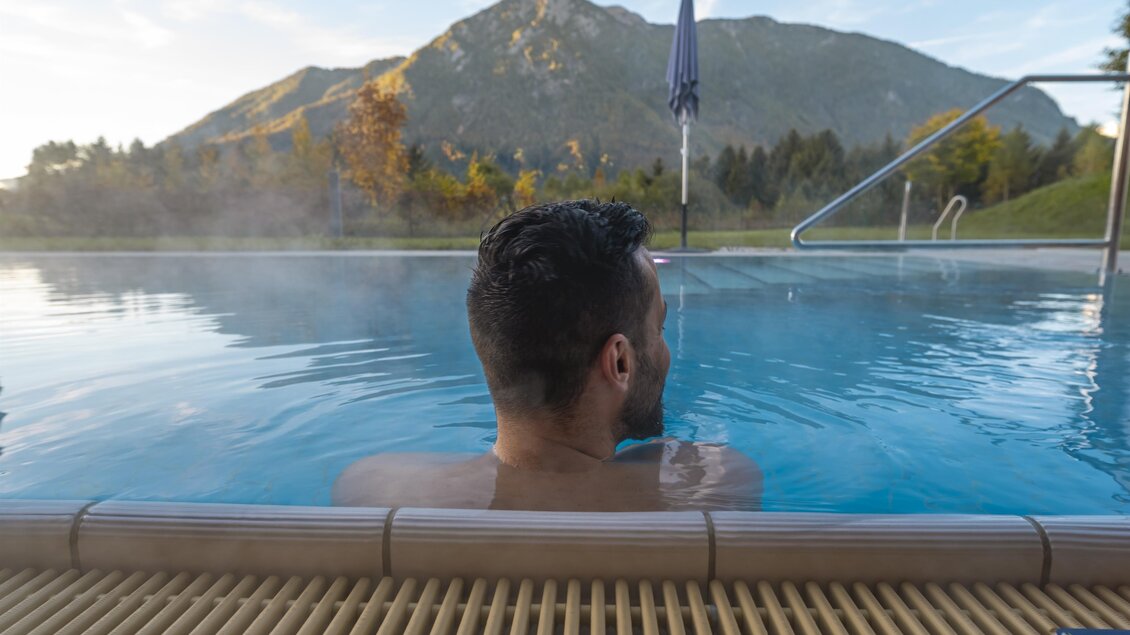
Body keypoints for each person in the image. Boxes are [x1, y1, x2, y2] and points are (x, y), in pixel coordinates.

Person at [333, 200, 761, 511]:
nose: (665, 351)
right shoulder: (717, 485)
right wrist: (657, 459)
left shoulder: (373, 487)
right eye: (660, 329)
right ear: (620, 363)